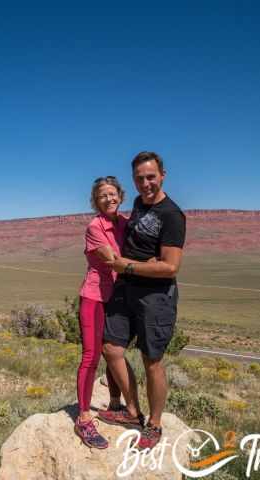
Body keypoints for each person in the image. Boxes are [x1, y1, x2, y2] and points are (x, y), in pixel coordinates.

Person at [99, 151, 186, 450]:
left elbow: (170, 266)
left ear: (162, 175)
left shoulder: (172, 215)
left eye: (151, 177)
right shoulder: (137, 203)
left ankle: (155, 424)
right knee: (111, 348)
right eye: (139, 178)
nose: (145, 183)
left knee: (152, 361)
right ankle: (132, 411)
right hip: (126, 288)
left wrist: (131, 266)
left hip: (155, 297)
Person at [74, 176, 128, 449]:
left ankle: (117, 406)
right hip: (94, 297)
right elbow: (113, 260)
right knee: (91, 355)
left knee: (114, 351)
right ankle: (84, 418)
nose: (108, 199)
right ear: (95, 201)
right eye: (102, 196)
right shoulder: (95, 226)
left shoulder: (125, 223)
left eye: (112, 194)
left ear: (120, 195)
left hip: (117, 297)